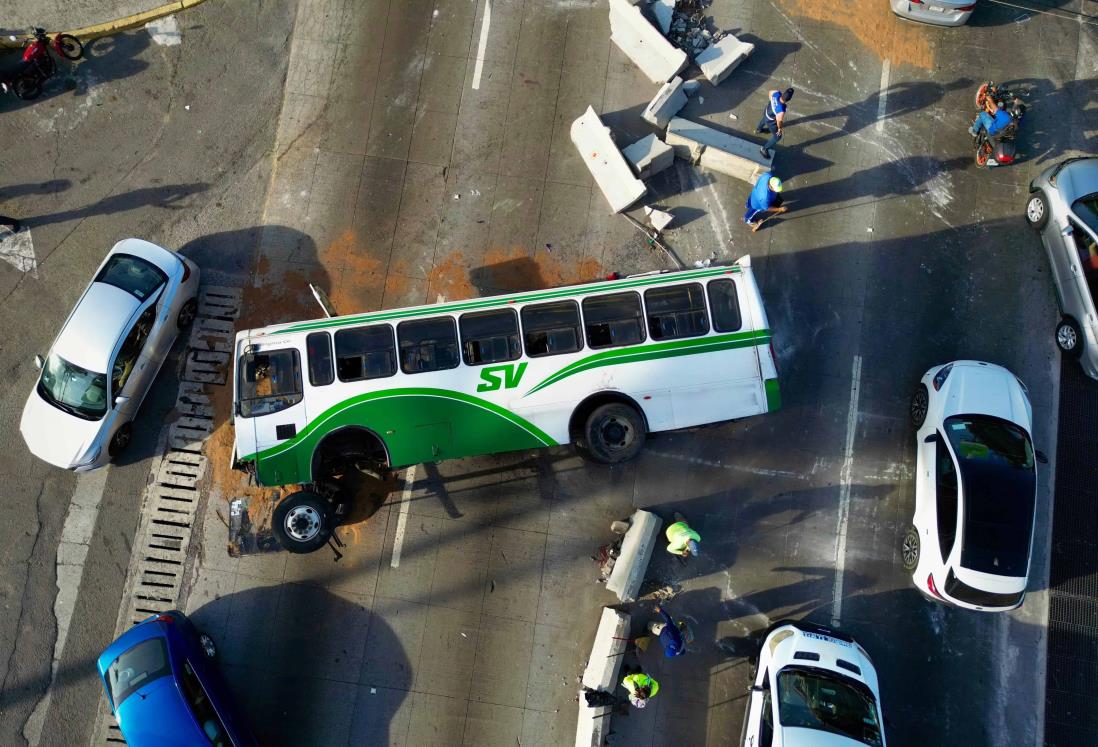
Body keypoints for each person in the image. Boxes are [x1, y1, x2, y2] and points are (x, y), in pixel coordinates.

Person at [756, 87, 794, 159]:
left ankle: (758, 130)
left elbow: (770, 92)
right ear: (789, 99)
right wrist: (779, 129)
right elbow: (779, 120)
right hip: (771, 121)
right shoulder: (782, 109)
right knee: (778, 137)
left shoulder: (776, 93)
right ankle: (764, 149)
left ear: (783, 93)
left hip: (767, 111)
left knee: (764, 119)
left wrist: (772, 102)